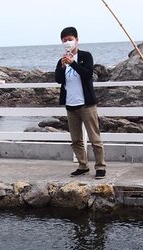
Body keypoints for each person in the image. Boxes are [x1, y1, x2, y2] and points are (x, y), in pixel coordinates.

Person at [55, 27, 106, 179]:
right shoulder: (61, 60)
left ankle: (100, 166)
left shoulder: (85, 56)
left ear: (77, 40)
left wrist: (73, 63)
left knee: (94, 138)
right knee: (76, 140)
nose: (67, 43)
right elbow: (58, 79)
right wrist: (63, 66)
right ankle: (83, 165)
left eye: (70, 39)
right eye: (64, 41)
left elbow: (88, 74)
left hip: (86, 104)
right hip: (70, 105)